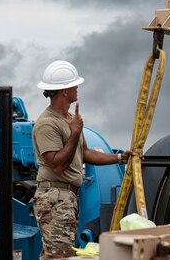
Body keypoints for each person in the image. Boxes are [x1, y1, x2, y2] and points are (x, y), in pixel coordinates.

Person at [31, 60, 133, 259]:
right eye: (74, 85)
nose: (77, 88)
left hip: (66, 197)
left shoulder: (70, 118)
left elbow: (84, 153)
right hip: (55, 197)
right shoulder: (46, 124)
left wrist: (120, 158)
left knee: (60, 253)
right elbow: (58, 164)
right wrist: (75, 132)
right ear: (65, 92)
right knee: (59, 255)